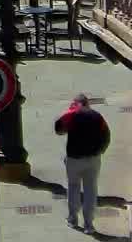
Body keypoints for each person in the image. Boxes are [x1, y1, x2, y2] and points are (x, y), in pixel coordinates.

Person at [55, 93, 112, 232]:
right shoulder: (97, 116)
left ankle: (73, 219)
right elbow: (106, 136)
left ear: (75, 104)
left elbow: (59, 129)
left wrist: (69, 115)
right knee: (90, 190)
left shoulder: (72, 114)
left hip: (74, 160)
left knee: (73, 187)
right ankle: (88, 225)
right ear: (87, 103)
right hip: (93, 159)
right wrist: (100, 151)